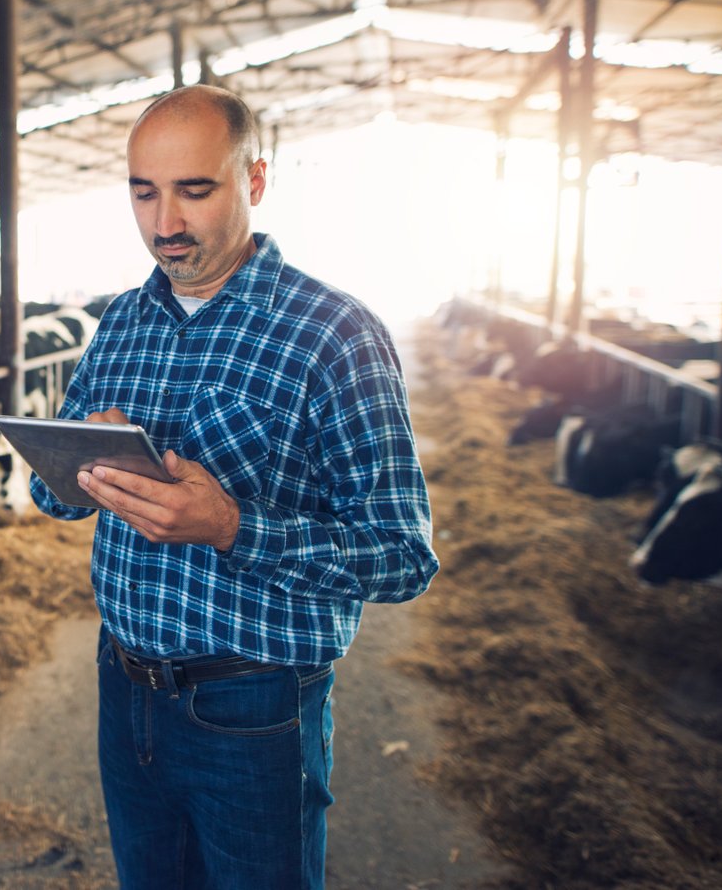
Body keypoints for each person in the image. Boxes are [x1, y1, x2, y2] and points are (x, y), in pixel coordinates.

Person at [29, 84, 438, 890]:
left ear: (254, 180)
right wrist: (77, 466)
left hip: (254, 706)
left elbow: (402, 556)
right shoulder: (122, 322)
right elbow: (55, 498)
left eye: (194, 190)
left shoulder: (332, 333)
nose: (165, 224)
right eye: (144, 193)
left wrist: (231, 526)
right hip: (126, 685)